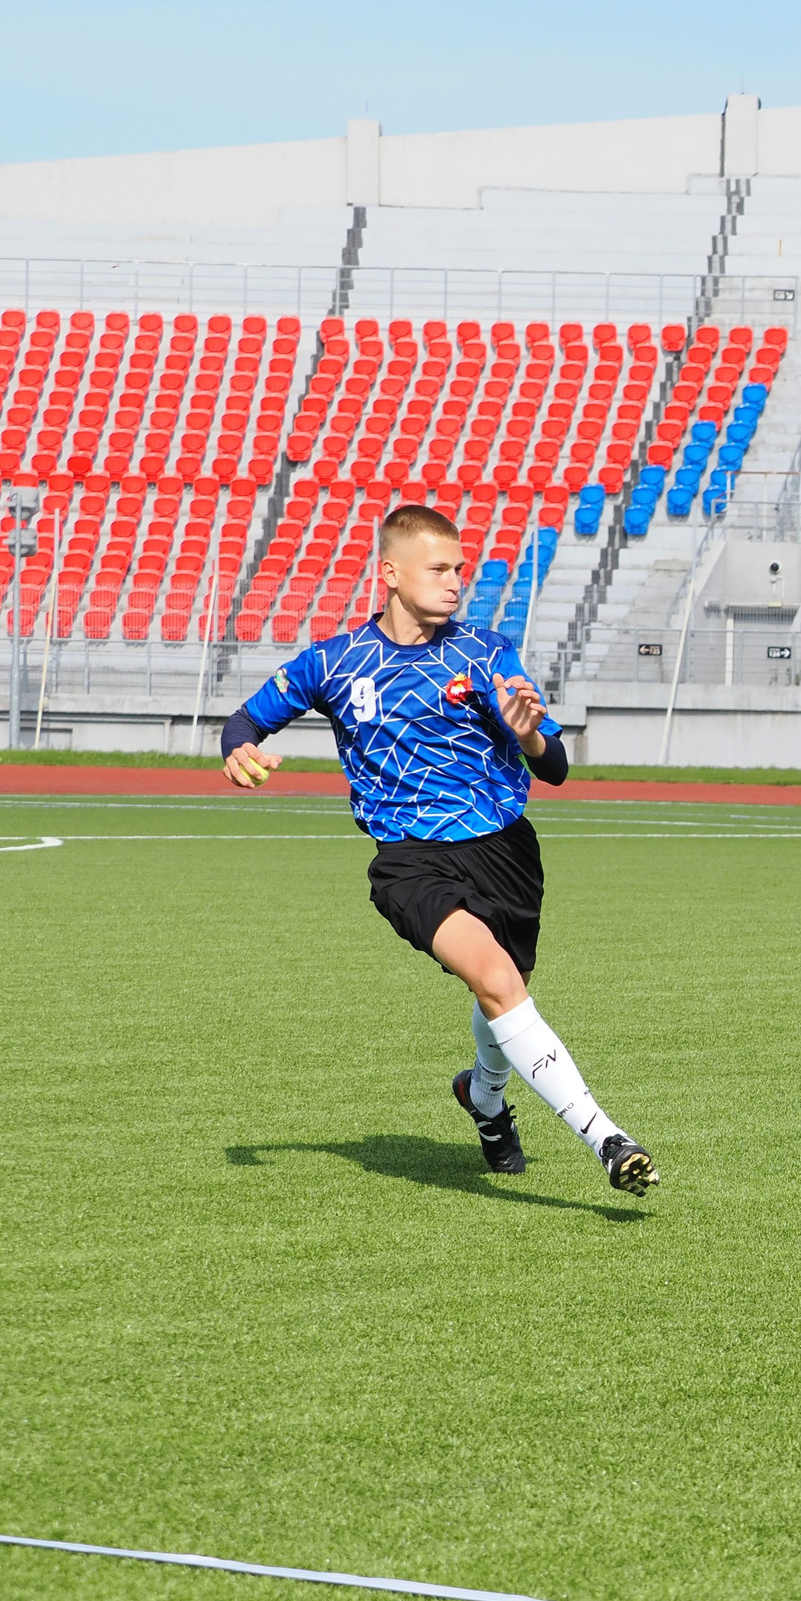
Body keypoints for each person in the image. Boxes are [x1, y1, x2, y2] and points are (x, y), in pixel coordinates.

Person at [218, 503, 659, 1198]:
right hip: (409, 862)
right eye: (440, 568)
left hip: (504, 852)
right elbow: (247, 718)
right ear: (390, 573)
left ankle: (483, 1100)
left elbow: (557, 767)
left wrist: (530, 735)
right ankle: (606, 1137)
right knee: (496, 982)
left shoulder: (485, 653)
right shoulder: (335, 662)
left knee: (503, 993)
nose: (456, 581)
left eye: (461, 568)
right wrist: (238, 747)